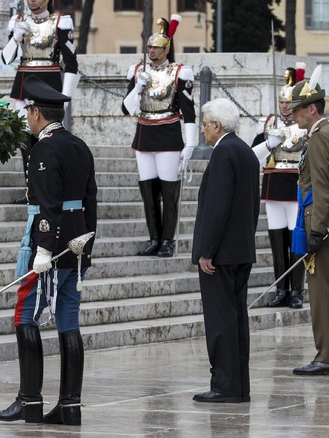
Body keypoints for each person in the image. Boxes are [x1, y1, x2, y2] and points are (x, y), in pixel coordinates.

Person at [0, 76, 97, 425]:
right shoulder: (79, 145)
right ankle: (69, 407)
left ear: (36, 112)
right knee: (68, 320)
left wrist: (43, 249)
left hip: (47, 245)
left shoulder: (44, 148)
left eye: (27, 111)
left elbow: (48, 205)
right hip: (76, 243)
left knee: (25, 315)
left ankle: (29, 401)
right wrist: (87, 249)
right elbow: (91, 201)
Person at [191, 98, 260, 403]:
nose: (202, 130)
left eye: (204, 124)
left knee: (220, 321)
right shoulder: (245, 152)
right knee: (236, 321)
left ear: (216, 125)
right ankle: (239, 386)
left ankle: (223, 385)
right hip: (241, 248)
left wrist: (207, 251)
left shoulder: (223, 154)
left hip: (220, 254)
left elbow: (216, 207)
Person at [289, 70, 329, 376]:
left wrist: (316, 231)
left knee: (321, 293)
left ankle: (327, 356)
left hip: (321, 227)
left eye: (298, 110)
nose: (294, 115)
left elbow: (322, 189)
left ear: (312, 108)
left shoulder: (317, 138)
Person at [122, 15, 197, 257]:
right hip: (145, 132)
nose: (151, 51)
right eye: (149, 47)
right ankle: (154, 237)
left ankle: (168, 240)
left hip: (168, 133)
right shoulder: (137, 71)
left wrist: (191, 144)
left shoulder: (180, 72)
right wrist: (138, 87)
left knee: (169, 190)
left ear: (166, 49)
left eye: (156, 47)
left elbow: (189, 110)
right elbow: (127, 108)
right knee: (148, 190)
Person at [0, 0, 80, 204]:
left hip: (50, 84)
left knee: (50, 141)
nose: (32, 1)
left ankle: (52, 188)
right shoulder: (18, 21)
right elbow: (5, 60)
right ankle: (32, 192)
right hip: (24, 84)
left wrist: (65, 98)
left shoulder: (60, 22)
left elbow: (71, 63)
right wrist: (16, 37)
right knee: (26, 142)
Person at [251, 63, 308, 309]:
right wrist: (268, 142)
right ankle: (281, 289)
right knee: (276, 241)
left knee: (295, 240)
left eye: (288, 102)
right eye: (281, 102)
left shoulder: (304, 126)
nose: (284, 106)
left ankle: (297, 290)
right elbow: (251, 156)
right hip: (273, 187)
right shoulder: (267, 124)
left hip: (295, 186)